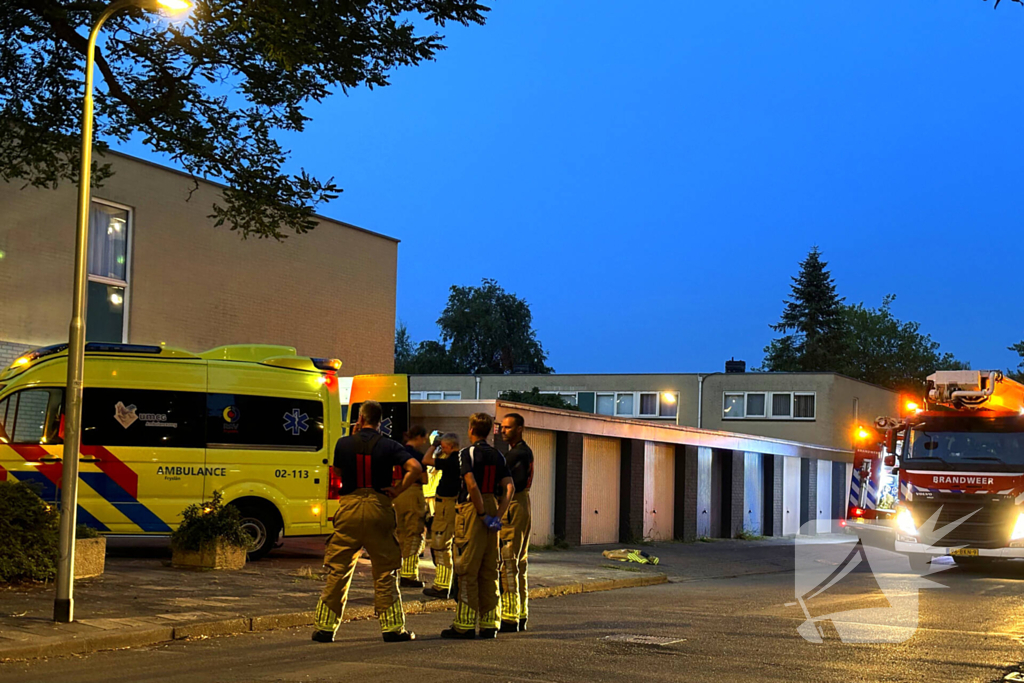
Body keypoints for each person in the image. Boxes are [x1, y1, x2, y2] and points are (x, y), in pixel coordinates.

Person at [312, 400, 422, 643]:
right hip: (378, 508)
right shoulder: (390, 445)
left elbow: (338, 473)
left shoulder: (343, 444)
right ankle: (392, 628)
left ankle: (325, 629)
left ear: (360, 419)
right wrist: (398, 489)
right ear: (379, 421)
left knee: (338, 570)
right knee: (385, 571)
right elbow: (414, 467)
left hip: (349, 507)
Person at [441, 413, 515, 640]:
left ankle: (464, 624)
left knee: (467, 568)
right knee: (490, 568)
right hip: (493, 504)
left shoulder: (467, 453)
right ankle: (489, 623)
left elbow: (471, 485)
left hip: (473, 509)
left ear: (471, 429)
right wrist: (498, 515)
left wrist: (481, 513)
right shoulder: (498, 455)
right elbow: (509, 487)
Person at [498, 412, 534, 632]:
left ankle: (510, 617)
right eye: (502, 427)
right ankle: (520, 614)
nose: (503, 431)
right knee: (519, 562)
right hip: (521, 504)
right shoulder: (521, 451)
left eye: (508, 428)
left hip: (514, 506)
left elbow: (508, 483)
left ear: (519, 428)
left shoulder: (517, 454)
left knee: (509, 560)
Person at [422, 432, 461, 599]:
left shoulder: (451, 461)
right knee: (445, 544)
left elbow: (426, 460)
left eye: (444, 446)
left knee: (440, 544)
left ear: (451, 447)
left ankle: (443, 586)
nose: (441, 449)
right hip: (448, 504)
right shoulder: (460, 459)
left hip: (446, 505)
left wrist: (433, 445)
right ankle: (448, 584)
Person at [395, 425, 430, 587]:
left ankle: (396, 569)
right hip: (412, 493)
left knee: (399, 532)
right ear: (420, 437)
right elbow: (424, 480)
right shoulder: (417, 456)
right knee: (414, 533)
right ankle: (409, 574)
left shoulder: (396, 452)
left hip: (396, 494)